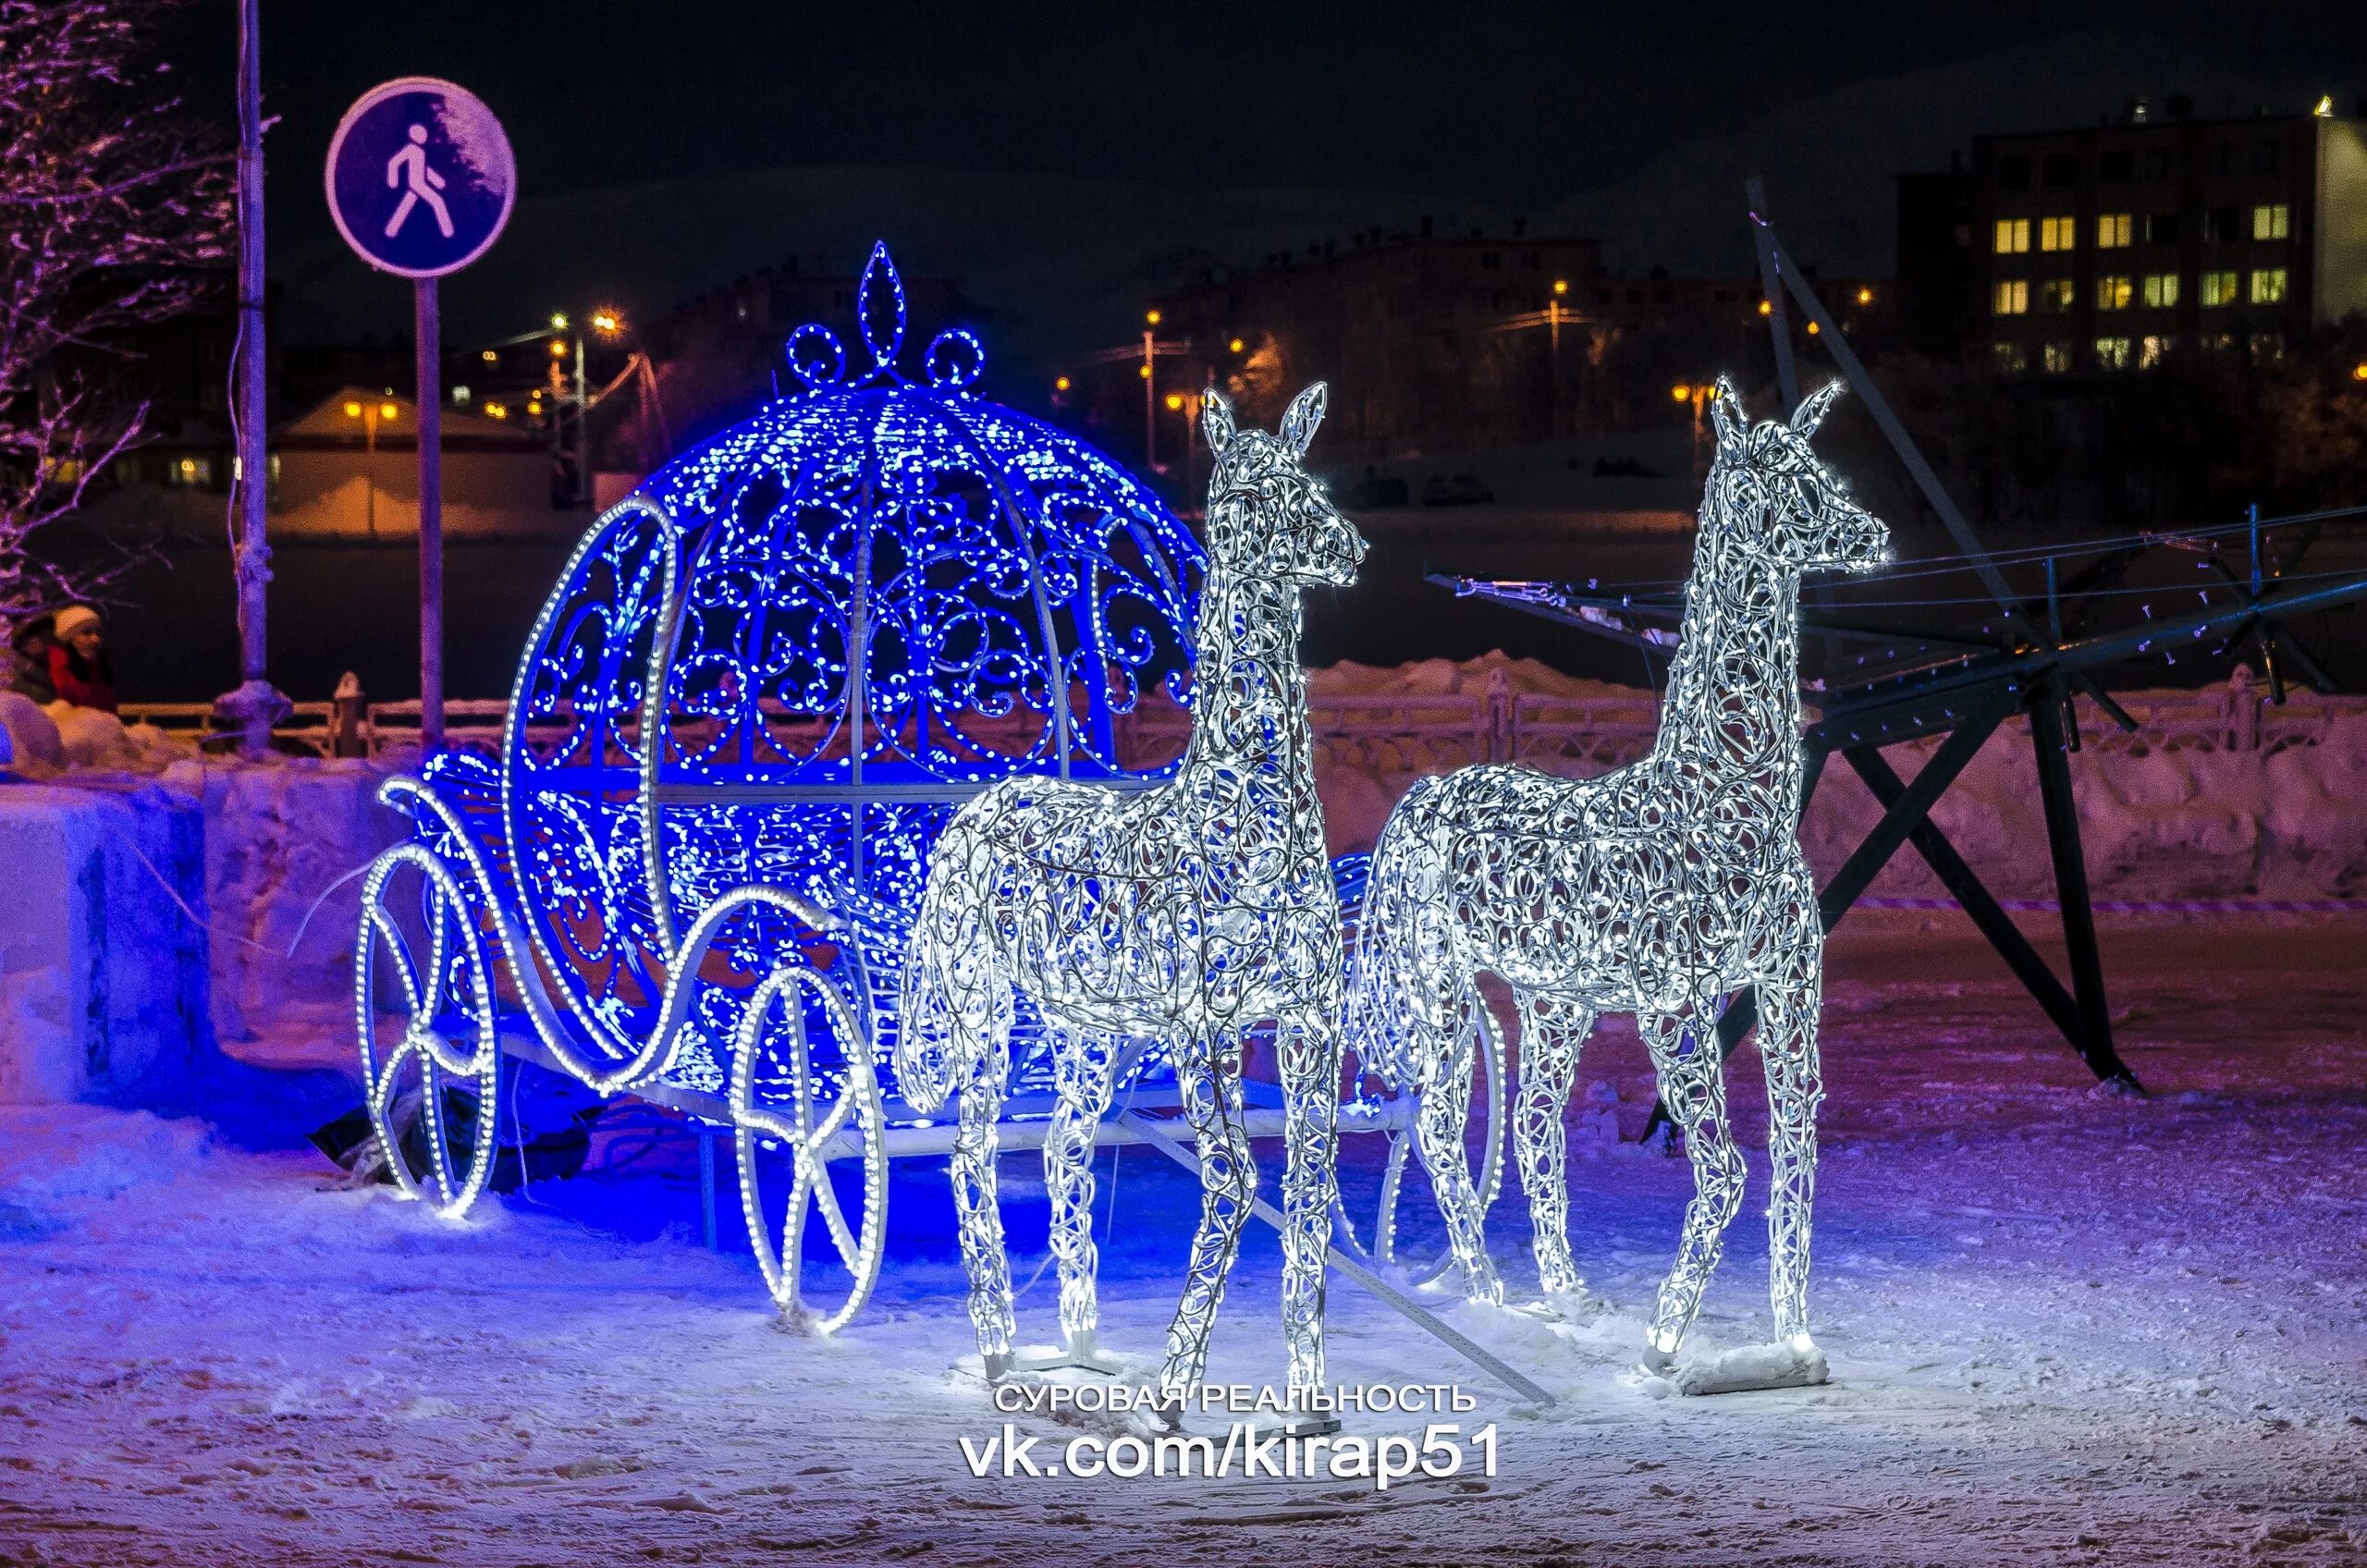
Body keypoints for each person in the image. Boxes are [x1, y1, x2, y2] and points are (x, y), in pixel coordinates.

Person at [47, 604, 116, 712]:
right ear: (69, 638)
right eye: (86, 633)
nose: (95, 639)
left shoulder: (97, 668)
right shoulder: (60, 672)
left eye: (98, 633)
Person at [6, 611, 56, 704]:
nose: (41, 639)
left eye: (45, 631)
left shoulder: (59, 660)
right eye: (34, 634)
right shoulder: (17, 678)